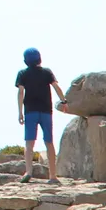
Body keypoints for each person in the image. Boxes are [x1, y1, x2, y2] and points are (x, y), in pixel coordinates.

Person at [16, 49, 68, 183]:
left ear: (25, 60)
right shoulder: (47, 72)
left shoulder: (23, 73)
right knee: (49, 142)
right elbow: (56, 87)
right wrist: (63, 101)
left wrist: (20, 112)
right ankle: (53, 176)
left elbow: (21, 92)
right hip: (46, 111)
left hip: (30, 111)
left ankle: (28, 171)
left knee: (29, 143)